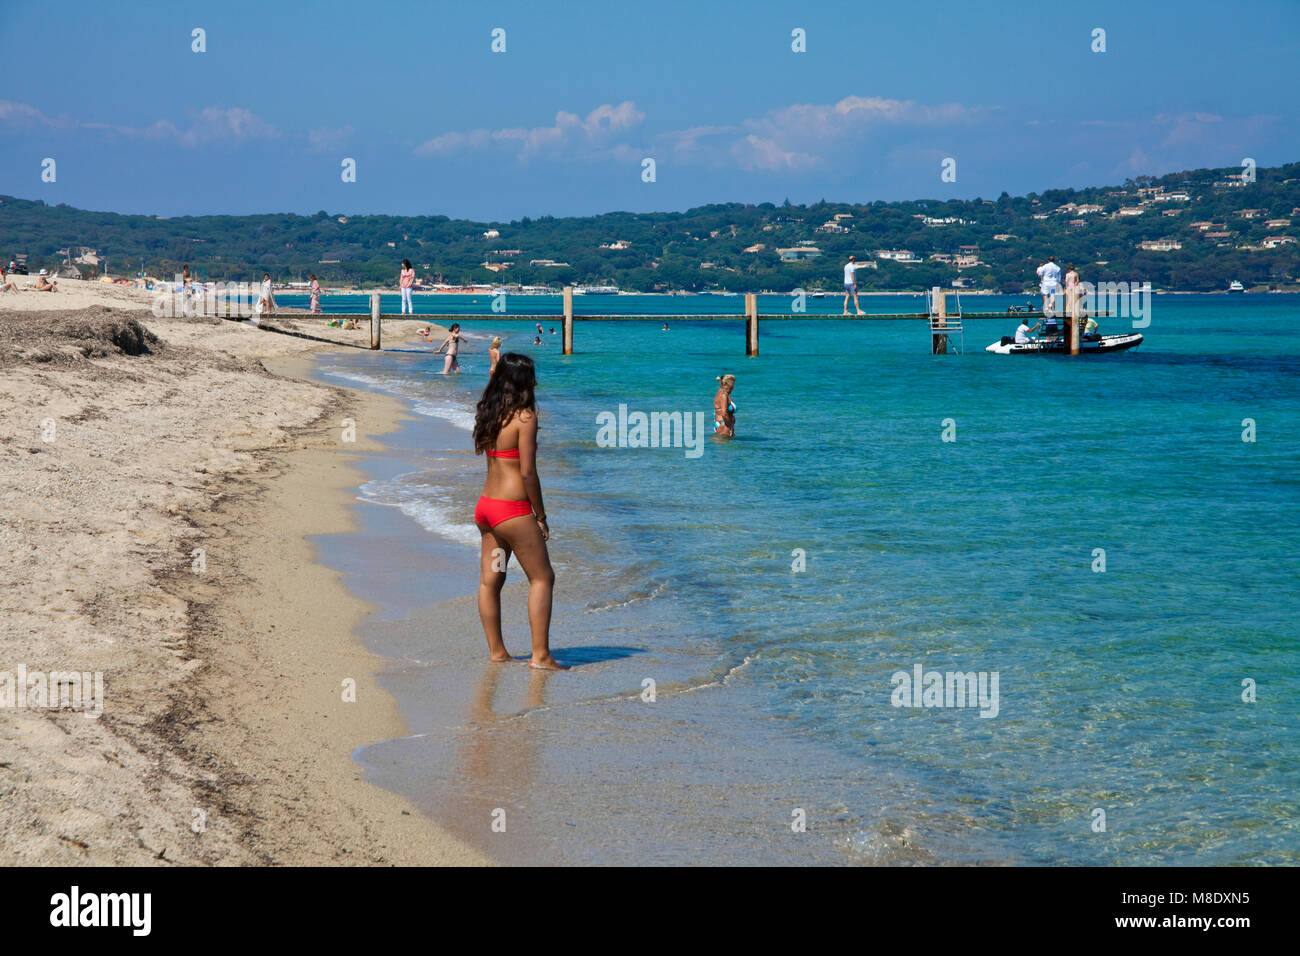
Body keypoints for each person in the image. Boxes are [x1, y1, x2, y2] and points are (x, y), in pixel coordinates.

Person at [472, 353, 564, 670]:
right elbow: (528, 474)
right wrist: (540, 516)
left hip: (487, 510)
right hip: (512, 511)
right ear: (526, 382)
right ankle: (540, 656)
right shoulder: (525, 418)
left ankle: (497, 652)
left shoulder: (490, 412)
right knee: (542, 578)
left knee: (490, 582)